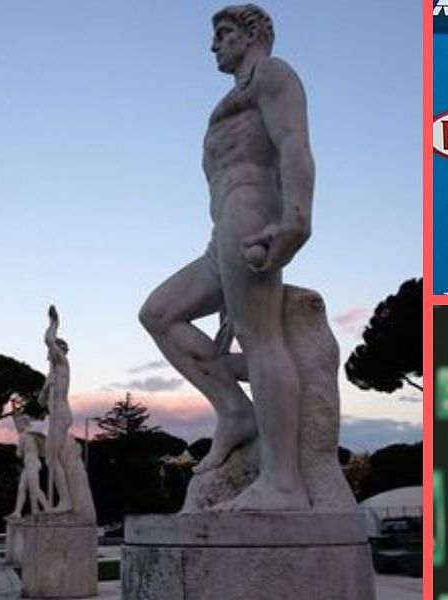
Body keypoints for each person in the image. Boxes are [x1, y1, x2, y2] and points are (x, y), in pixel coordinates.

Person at [138, 4, 312, 511]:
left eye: (223, 33)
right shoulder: (235, 95)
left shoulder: (274, 75)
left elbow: (295, 144)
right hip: (222, 234)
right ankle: (235, 412)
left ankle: (284, 483)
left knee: (262, 338)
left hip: (253, 216)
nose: (213, 45)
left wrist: (296, 219)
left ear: (253, 33)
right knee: (159, 313)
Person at [41, 304, 74, 512]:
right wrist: (46, 389)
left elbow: (48, 340)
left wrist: (54, 323)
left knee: (52, 459)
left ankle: (66, 501)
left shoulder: (63, 363)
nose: (50, 352)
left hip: (61, 414)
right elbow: (40, 403)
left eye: (54, 349)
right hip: (55, 415)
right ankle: (65, 499)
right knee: (51, 459)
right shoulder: (51, 374)